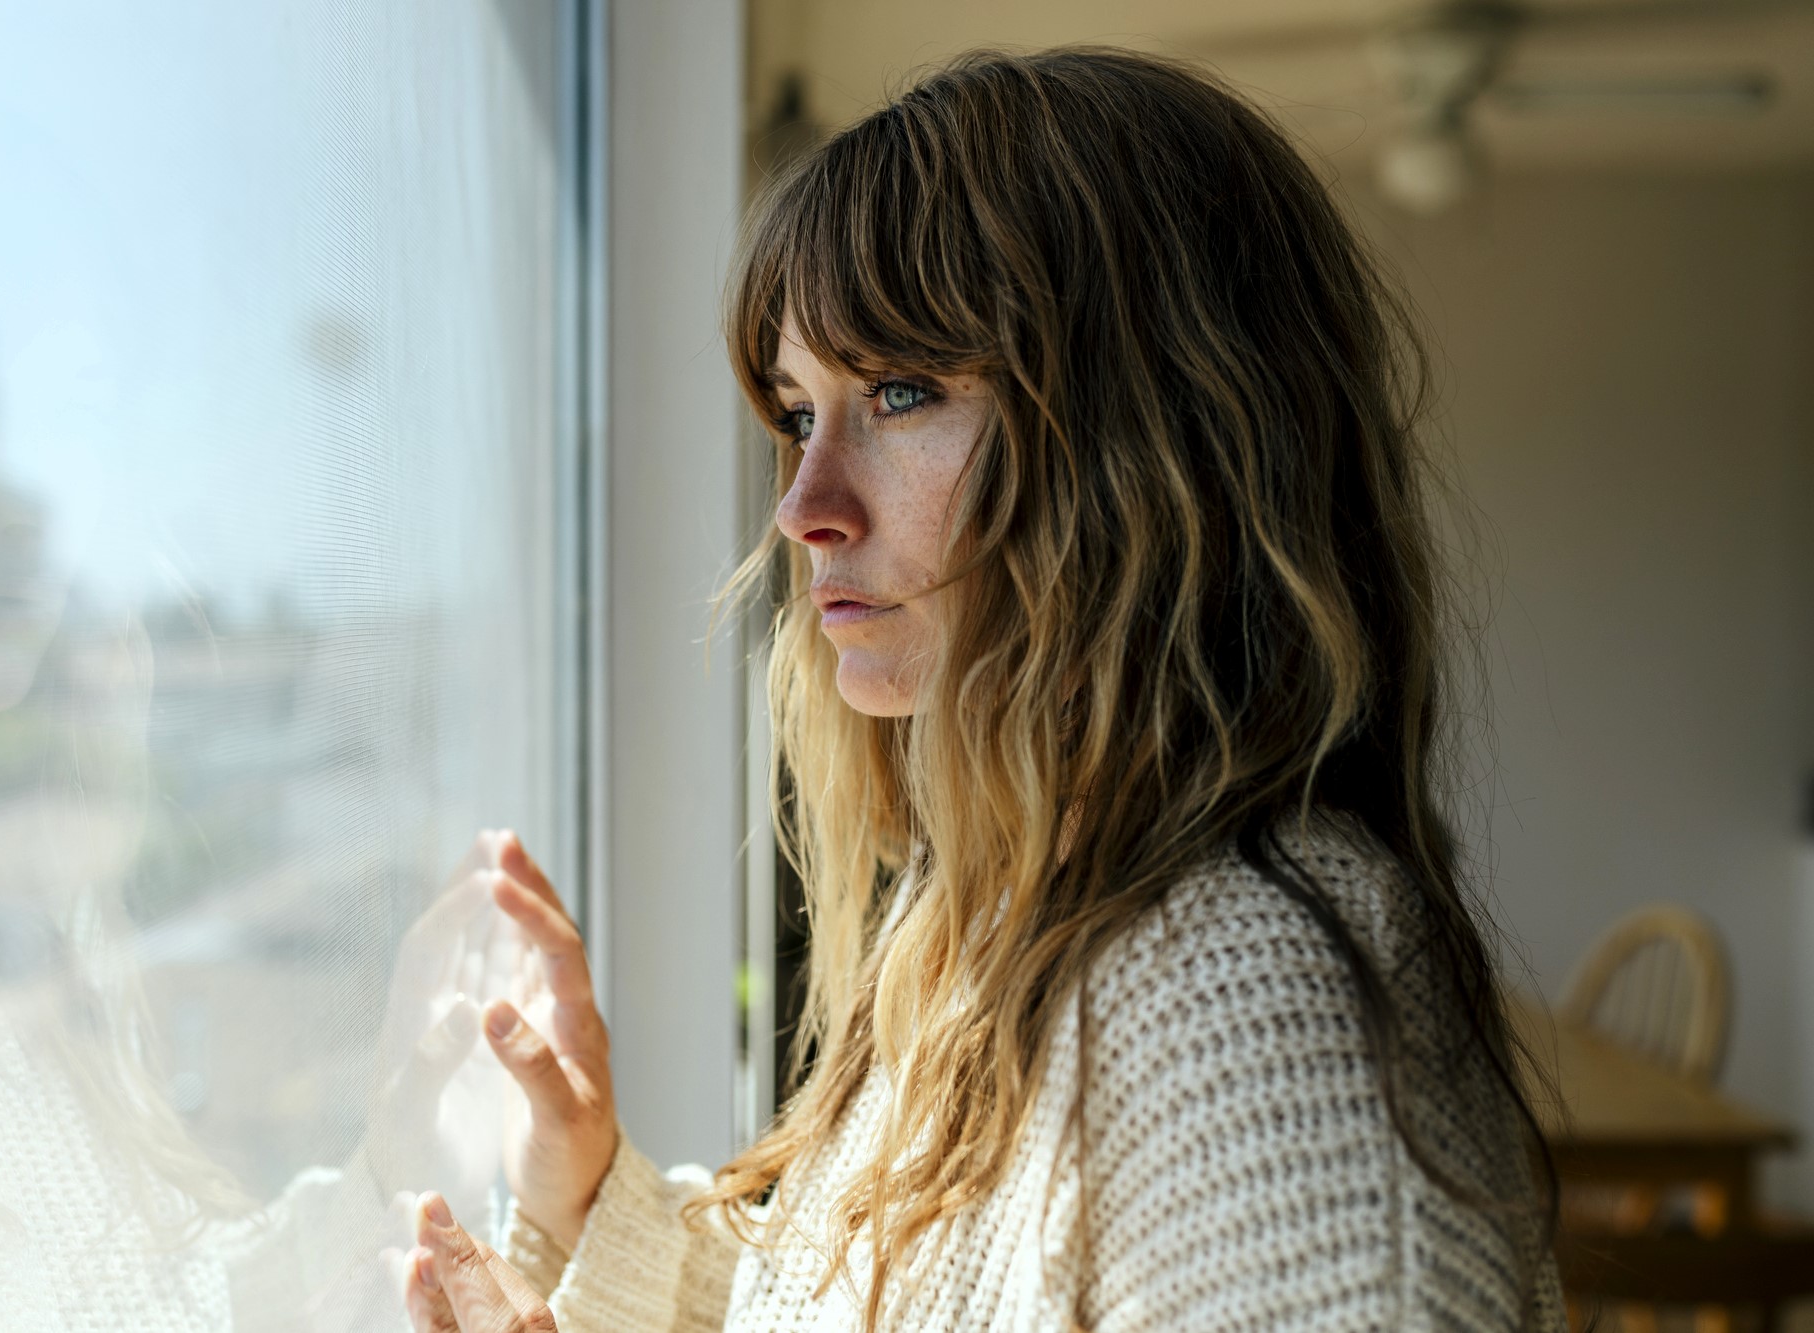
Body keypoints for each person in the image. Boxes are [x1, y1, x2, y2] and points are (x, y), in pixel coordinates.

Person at [400, 47, 1565, 1332]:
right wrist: (589, 1202)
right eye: (798, 413)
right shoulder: (998, 917)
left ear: (1157, 444)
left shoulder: (1244, 1031)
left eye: (903, 392)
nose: (803, 506)